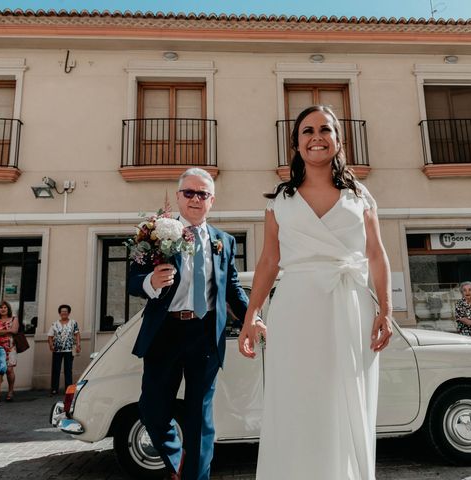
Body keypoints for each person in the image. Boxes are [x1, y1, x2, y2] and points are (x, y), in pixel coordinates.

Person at [238, 105, 393, 480]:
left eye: (325, 130)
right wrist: (251, 315)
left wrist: (385, 310)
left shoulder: (360, 197)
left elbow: (376, 254)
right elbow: (268, 262)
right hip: (295, 308)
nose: (316, 137)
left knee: (346, 399)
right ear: (296, 143)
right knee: (296, 399)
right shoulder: (279, 201)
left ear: (338, 141)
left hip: (349, 305)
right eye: (307, 131)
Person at [129, 168, 249, 480]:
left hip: (205, 334)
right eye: (189, 193)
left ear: (212, 200)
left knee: (199, 417)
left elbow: (233, 289)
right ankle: (179, 460)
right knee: (152, 410)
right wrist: (150, 282)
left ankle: (197, 475)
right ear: (179, 196)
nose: (195, 199)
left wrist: (254, 318)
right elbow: (132, 279)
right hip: (165, 333)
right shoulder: (154, 233)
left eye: (202, 194)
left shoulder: (224, 242)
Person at [47, 304, 81, 395]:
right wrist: (51, 345)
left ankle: (68, 389)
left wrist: (78, 345)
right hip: (57, 350)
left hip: (69, 350)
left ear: (68, 313)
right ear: (59, 313)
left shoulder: (73, 323)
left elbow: (77, 334)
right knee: (56, 369)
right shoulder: (55, 324)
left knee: (68, 370)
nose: (64, 313)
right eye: (62, 312)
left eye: (65, 311)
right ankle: (54, 389)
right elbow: (50, 336)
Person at [0, 301, 18, 402]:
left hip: (10, 347)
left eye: (5, 307)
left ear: (8, 309)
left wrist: (1, 332)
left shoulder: (14, 319)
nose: (3, 309)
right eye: (1, 307)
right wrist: (8, 330)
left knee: (9, 370)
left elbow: (15, 331)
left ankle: (10, 391)